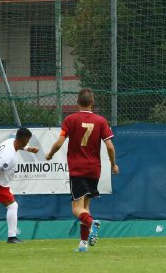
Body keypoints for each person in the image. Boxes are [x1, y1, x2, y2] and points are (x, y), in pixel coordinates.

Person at [46, 88, 118, 252]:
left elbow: (59, 142)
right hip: (94, 170)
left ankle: (92, 222)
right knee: (85, 207)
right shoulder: (101, 121)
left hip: (78, 169)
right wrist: (113, 164)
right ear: (92, 102)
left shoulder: (70, 119)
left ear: (77, 102)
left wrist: (50, 154)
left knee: (76, 209)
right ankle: (83, 244)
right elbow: (110, 146)